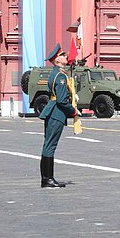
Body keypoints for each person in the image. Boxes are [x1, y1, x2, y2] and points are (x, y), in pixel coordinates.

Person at [38, 44, 81, 188]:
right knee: (50, 146)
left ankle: (46, 178)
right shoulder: (61, 76)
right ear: (57, 60)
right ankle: (48, 179)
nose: (65, 56)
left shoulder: (54, 73)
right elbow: (62, 101)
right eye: (62, 55)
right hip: (56, 113)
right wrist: (73, 111)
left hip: (51, 110)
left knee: (47, 144)